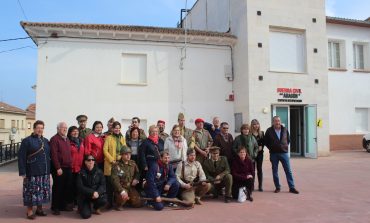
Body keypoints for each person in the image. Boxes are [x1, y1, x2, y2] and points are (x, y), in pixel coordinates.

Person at [18, 120, 51, 220]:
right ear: (34, 129)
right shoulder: (27, 141)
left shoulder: (45, 140)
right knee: (31, 192)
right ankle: (29, 211)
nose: (40, 130)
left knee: (41, 192)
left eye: (41, 128)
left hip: (44, 172)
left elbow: (48, 156)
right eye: (38, 128)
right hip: (32, 171)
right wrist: (23, 172)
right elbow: (21, 157)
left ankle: (39, 209)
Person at [264, 116, 299, 194]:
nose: (277, 122)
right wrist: (271, 148)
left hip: (284, 153)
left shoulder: (285, 129)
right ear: (273, 122)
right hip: (274, 154)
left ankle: (292, 187)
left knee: (288, 171)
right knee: (275, 171)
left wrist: (285, 146)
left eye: (279, 121)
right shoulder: (269, 130)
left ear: (280, 121)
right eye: (276, 121)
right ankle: (277, 187)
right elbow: (266, 141)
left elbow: (288, 140)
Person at [50, 122, 74, 215]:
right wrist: (58, 167)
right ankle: (55, 207)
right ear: (58, 129)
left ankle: (62, 206)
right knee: (57, 187)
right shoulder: (54, 139)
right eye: (63, 128)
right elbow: (54, 155)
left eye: (66, 128)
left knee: (66, 187)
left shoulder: (66, 138)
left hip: (67, 167)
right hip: (59, 168)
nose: (65, 129)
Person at [103, 121, 126, 209]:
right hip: (110, 164)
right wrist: (112, 160)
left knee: (118, 184)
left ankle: (118, 203)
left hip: (119, 164)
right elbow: (105, 150)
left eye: (119, 128)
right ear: (112, 129)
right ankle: (109, 203)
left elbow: (124, 149)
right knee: (109, 185)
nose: (117, 129)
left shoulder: (122, 138)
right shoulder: (109, 138)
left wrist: (120, 157)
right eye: (115, 128)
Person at [111, 146, 142, 210]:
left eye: (129, 154)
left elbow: (138, 172)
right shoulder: (116, 165)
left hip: (130, 187)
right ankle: (118, 204)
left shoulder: (133, 163)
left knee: (138, 203)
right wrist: (121, 191)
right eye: (126, 154)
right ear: (121, 155)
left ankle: (129, 200)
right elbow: (115, 180)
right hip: (122, 188)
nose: (128, 156)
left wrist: (136, 179)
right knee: (122, 198)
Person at [76, 155, 107, 219]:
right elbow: (80, 187)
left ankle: (96, 208)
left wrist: (97, 193)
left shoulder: (99, 172)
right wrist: (92, 192)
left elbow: (103, 185)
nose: (91, 161)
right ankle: (81, 207)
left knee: (104, 200)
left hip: (96, 195)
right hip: (85, 196)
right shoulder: (81, 173)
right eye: (89, 160)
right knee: (86, 215)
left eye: (93, 160)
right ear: (85, 162)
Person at [67, 126, 86, 206]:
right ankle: (70, 202)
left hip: (80, 167)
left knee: (78, 185)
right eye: (73, 131)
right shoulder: (67, 142)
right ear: (70, 133)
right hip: (71, 167)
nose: (75, 133)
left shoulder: (81, 141)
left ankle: (77, 201)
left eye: (77, 131)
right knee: (70, 186)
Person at [250, 119, 265, 191]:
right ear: (252, 125)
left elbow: (264, 142)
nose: (256, 126)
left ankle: (260, 186)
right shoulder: (249, 134)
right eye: (254, 124)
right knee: (252, 170)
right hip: (252, 154)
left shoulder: (262, 133)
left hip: (260, 154)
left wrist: (262, 147)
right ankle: (252, 185)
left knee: (259, 169)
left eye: (257, 124)